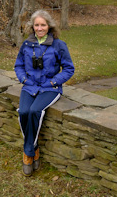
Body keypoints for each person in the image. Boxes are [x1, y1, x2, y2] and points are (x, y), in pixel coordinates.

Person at [14, 10, 74, 176]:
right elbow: (18, 66)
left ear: (49, 26)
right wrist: (24, 80)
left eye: (43, 25)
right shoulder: (27, 45)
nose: (39, 28)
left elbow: (69, 68)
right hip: (30, 86)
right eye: (36, 25)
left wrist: (54, 81)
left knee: (35, 111)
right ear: (32, 27)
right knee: (24, 112)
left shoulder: (58, 45)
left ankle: (28, 154)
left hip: (50, 88)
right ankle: (34, 148)